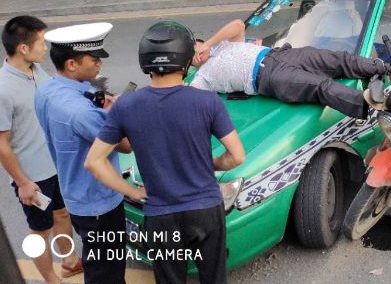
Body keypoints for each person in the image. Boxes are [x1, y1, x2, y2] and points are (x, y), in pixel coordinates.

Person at [85, 21, 244, 284]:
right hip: (205, 210)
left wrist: (133, 192)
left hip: (161, 216)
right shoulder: (207, 101)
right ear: (185, 60)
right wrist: (211, 164)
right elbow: (237, 156)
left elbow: (94, 162)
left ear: (144, 61)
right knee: (213, 277)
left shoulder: (126, 105)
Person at [35, 22, 140, 284]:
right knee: (108, 270)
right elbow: (126, 145)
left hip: (77, 195)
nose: (99, 65)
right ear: (71, 64)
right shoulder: (82, 113)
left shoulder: (47, 90)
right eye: (94, 59)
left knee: (97, 259)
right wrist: (120, 115)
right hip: (99, 201)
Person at [190, 19, 391, 118]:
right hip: (270, 77)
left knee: (337, 59)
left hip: (281, 53)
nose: (197, 57)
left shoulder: (224, 44)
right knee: (321, 87)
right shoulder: (203, 77)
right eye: (190, 58)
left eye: (196, 49)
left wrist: (209, 45)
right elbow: (186, 99)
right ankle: (382, 103)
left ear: (202, 42)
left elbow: (238, 25)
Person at [0, 16, 82, 283]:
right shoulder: (3, 89)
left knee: (62, 213)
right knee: (40, 230)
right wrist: (23, 182)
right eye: (41, 42)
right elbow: (1, 143)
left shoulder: (36, 70)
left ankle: (68, 262)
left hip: (56, 163)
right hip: (32, 175)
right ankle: (50, 278)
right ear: (23, 48)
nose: (45, 48)